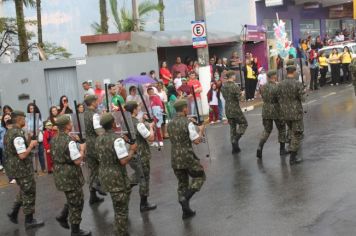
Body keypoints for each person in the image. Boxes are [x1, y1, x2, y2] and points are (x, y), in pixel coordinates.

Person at [96, 113, 137, 236]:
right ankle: (120, 232)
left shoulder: (99, 139)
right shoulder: (116, 139)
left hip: (105, 174)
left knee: (119, 204)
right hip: (117, 176)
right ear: (113, 123)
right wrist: (132, 150)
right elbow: (123, 160)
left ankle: (121, 230)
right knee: (121, 209)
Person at [50, 115, 91, 236]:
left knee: (72, 198)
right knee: (77, 201)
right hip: (70, 175)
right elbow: (78, 161)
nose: (71, 124)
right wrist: (82, 149)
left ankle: (62, 216)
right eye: (70, 122)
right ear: (67, 125)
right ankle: (75, 230)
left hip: (60, 173)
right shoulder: (69, 141)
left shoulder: (55, 139)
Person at [4, 110, 44, 229]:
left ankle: (13, 213)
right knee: (29, 192)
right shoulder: (16, 134)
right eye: (24, 118)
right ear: (19, 119)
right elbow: (22, 155)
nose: (25, 120)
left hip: (15, 168)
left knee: (24, 190)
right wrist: (31, 146)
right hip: (22, 169)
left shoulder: (11, 132)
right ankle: (29, 220)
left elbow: (17, 149)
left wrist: (29, 140)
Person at [167, 99, 206, 219]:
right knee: (200, 176)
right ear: (184, 109)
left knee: (182, 183)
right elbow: (196, 141)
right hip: (187, 156)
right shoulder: (187, 123)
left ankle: (185, 210)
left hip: (174, 157)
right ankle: (186, 197)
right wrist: (201, 130)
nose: (187, 109)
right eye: (186, 107)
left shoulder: (170, 123)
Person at [125, 101, 157, 212]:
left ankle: (126, 185)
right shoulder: (138, 124)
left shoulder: (126, 122)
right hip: (141, 153)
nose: (139, 108)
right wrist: (151, 127)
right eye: (137, 107)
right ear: (134, 110)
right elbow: (150, 138)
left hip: (131, 152)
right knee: (144, 177)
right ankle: (143, 203)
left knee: (139, 174)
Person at [278, 62, 305, 165]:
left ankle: (291, 151)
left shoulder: (281, 84)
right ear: (293, 72)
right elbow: (302, 99)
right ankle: (293, 158)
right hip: (296, 113)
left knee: (291, 131)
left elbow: (278, 97)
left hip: (285, 112)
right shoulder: (297, 83)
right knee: (297, 133)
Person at [256, 70, 288, 159]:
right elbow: (281, 100)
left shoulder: (263, 87)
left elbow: (262, 96)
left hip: (266, 109)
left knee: (267, 130)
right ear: (274, 76)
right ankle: (282, 149)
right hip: (276, 110)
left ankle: (260, 147)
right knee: (281, 128)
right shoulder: (277, 87)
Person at [84, 95, 106, 205]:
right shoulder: (94, 115)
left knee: (92, 168)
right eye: (97, 100)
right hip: (95, 143)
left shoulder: (85, 113)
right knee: (101, 164)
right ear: (93, 102)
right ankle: (98, 184)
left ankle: (93, 196)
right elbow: (99, 131)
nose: (98, 102)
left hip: (88, 142)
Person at [221, 71, 248, 153]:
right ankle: (236, 139)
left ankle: (235, 148)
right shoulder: (234, 86)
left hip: (227, 108)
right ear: (232, 76)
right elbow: (242, 99)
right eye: (234, 75)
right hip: (235, 108)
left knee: (232, 127)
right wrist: (243, 93)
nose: (235, 77)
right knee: (244, 123)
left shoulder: (224, 86)